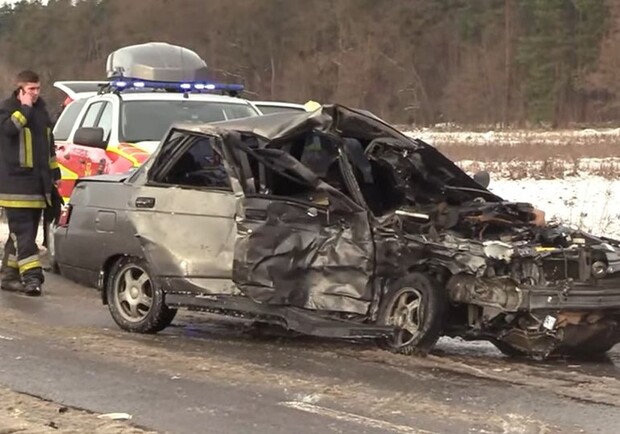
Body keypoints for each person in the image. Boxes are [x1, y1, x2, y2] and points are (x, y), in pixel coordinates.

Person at [0, 70, 60, 296]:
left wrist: (55, 176)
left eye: (37, 89)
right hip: (15, 186)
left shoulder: (42, 112)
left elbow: (48, 147)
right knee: (24, 234)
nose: (35, 93)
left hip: (38, 186)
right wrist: (24, 108)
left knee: (21, 234)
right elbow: (9, 130)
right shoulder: (7, 109)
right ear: (20, 89)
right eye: (30, 89)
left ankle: (8, 275)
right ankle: (32, 278)